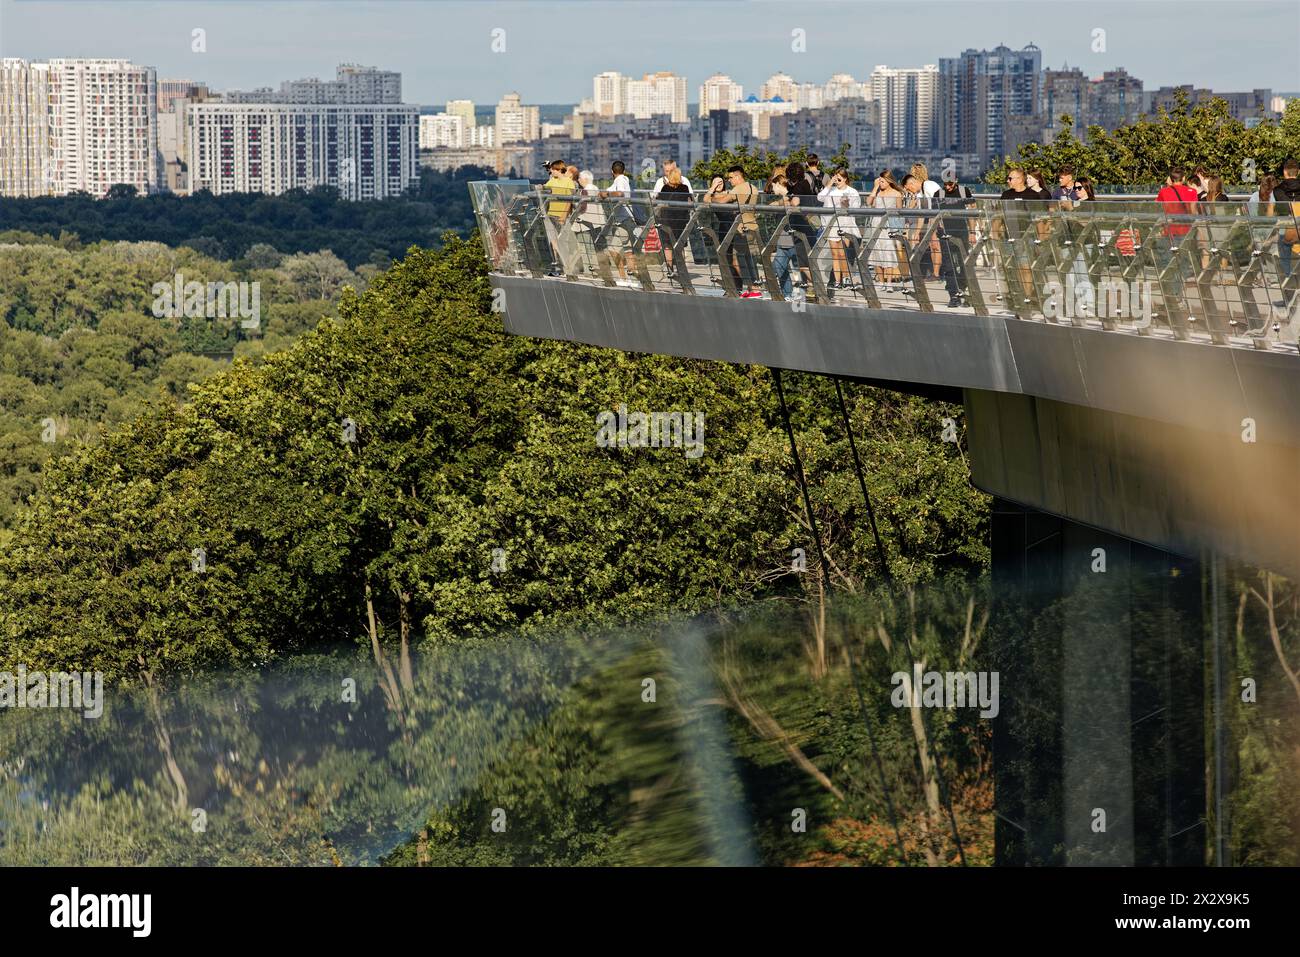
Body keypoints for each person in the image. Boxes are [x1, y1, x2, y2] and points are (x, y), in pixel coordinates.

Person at [704, 165, 763, 297]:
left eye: (730, 177)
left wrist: (711, 198)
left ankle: (752, 290)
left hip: (741, 229)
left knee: (741, 261)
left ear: (737, 176)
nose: (729, 180)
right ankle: (753, 289)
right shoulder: (753, 188)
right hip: (753, 226)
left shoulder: (738, 188)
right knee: (749, 259)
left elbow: (723, 201)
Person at [816, 167, 862, 289]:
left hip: (845, 224)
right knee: (835, 254)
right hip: (831, 224)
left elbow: (856, 208)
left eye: (839, 178)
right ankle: (837, 281)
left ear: (845, 178)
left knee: (842, 254)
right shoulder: (831, 191)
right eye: (836, 177)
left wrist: (847, 204)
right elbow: (819, 197)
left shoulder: (852, 191)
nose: (837, 180)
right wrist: (829, 184)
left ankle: (846, 278)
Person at [1155, 166, 1200, 281]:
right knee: (1183, 259)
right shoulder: (1192, 191)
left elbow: (1158, 210)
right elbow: (1194, 212)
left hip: (1168, 230)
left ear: (1170, 179)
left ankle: (1172, 286)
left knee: (1169, 260)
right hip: (1185, 230)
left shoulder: (1163, 192)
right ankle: (1181, 284)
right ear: (1184, 178)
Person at [866, 170, 906, 286]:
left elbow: (899, 211)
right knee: (877, 253)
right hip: (876, 225)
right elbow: (869, 202)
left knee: (888, 253)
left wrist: (898, 229)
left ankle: (888, 282)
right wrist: (875, 188)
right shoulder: (878, 193)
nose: (881, 183)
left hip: (889, 226)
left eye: (882, 181)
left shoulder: (896, 194)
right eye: (880, 181)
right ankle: (881, 282)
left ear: (889, 181)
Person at [655, 166, 693, 277]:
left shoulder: (665, 188)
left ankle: (670, 269)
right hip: (681, 220)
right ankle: (681, 269)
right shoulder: (685, 188)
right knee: (680, 245)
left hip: (667, 220)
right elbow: (690, 202)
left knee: (667, 246)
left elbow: (657, 200)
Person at [1273, 158, 1300, 286]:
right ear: (1298, 172)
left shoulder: (1277, 191)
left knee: (1285, 263)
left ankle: (1290, 291)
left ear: (1285, 172)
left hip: (1285, 229)